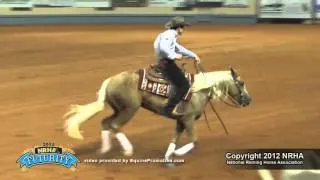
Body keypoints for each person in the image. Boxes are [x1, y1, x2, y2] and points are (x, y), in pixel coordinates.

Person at [153, 16, 201, 117]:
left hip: (165, 62)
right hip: (166, 64)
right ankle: (167, 110)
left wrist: (193, 55)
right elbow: (162, 48)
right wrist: (174, 55)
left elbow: (179, 48)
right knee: (184, 85)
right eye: (183, 28)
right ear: (179, 27)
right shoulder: (169, 35)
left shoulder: (171, 35)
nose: (183, 30)